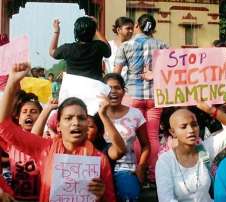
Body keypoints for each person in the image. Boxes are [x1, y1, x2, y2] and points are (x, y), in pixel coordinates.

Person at [0, 63, 116, 201]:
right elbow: (4, 126)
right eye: (68, 118)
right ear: (58, 125)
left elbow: (110, 199)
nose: (76, 122)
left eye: (81, 118)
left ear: (87, 125)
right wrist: (12, 83)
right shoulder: (45, 149)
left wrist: (101, 194)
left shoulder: (99, 160)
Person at [114, 13, 168, 184]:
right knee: (152, 136)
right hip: (155, 97)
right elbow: (170, 72)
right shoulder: (162, 45)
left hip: (132, 95)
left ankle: (136, 172)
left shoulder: (126, 45)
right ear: (154, 28)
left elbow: (116, 74)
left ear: (137, 26)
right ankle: (152, 175)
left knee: (135, 135)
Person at [155, 103, 226, 202]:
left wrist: (212, 111)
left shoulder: (204, 150)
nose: (191, 130)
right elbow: (166, 199)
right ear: (173, 132)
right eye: (183, 127)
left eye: (194, 125)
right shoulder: (165, 161)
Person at [104, 73, 150, 201]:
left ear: (124, 91)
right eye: (109, 88)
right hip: (100, 166)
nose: (113, 92)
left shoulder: (135, 114)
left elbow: (146, 144)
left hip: (126, 168)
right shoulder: (95, 114)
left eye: (117, 88)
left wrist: (141, 166)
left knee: (129, 196)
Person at [49, 17, 111, 81]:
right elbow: (108, 49)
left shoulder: (68, 49)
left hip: (74, 88)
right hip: (94, 87)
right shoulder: (98, 46)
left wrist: (56, 31)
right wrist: (96, 28)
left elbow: (52, 51)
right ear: (93, 32)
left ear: (76, 32)